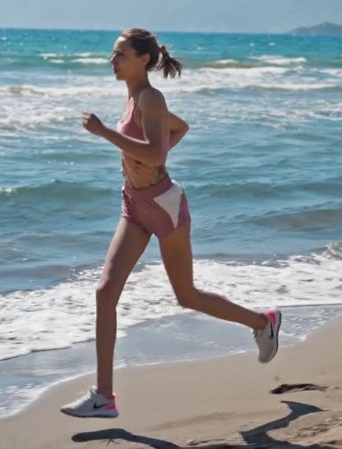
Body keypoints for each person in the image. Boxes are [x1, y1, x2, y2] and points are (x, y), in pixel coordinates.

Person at [60, 27, 281, 419]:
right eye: (113, 55)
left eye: (119, 54)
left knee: (187, 296)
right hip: (134, 204)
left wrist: (105, 134)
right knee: (104, 292)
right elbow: (178, 131)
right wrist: (139, 159)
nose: (112, 61)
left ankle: (262, 322)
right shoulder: (133, 99)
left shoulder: (151, 98)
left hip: (164, 205)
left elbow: (159, 155)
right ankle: (104, 397)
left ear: (142, 59)